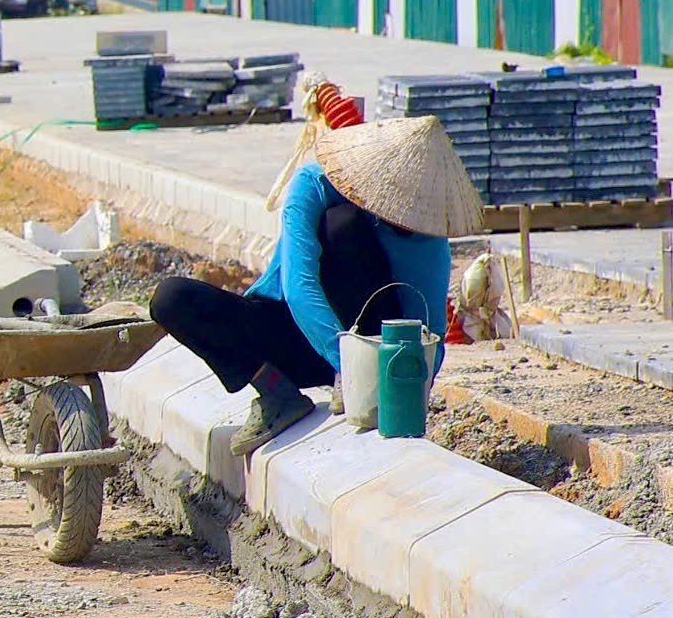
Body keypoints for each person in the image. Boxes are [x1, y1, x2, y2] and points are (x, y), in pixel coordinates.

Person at [149, 115, 482, 456]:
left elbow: (430, 334)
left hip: (368, 351)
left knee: (344, 226)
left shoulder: (424, 240)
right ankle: (277, 394)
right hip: (299, 334)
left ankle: (353, 378)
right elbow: (299, 287)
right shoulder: (315, 185)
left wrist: (406, 391)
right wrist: (343, 365)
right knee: (171, 298)